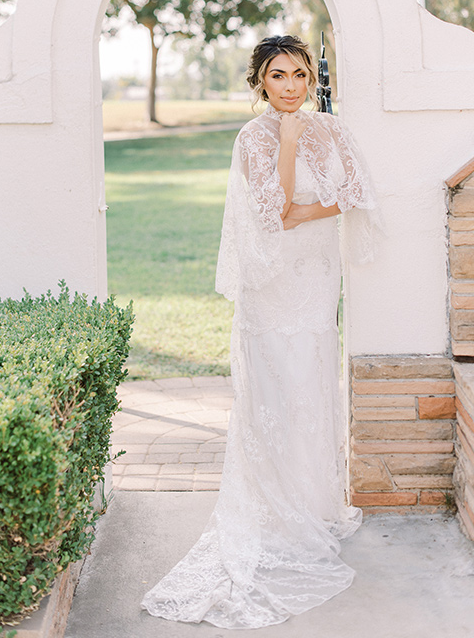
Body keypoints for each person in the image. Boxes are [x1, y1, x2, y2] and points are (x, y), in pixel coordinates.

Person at [141, 35, 378, 629]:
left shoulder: (334, 128)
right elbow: (272, 214)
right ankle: (276, 514)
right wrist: (290, 147)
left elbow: (356, 194)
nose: (293, 86)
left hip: (316, 283)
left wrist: (308, 206)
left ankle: (313, 505)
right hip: (271, 294)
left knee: (312, 391)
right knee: (277, 396)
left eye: (300, 73)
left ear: (311, 78)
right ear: (261, 83)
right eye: (279, 76)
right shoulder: (253, 139)